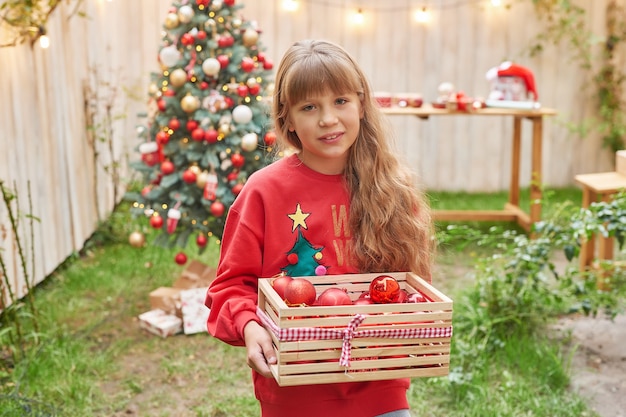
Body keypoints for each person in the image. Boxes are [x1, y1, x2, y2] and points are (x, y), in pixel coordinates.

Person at [205, 39, 434, 417]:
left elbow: (411, 286)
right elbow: (231, 286)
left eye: (340, 101)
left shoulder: (392, 188)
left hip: (380, 387)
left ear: (361, 104)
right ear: (288, 119)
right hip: (296, 392)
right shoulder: (263, 192)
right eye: (310, 107)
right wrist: (249, 326)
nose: (328, 119)